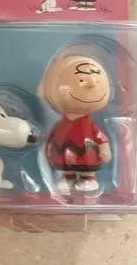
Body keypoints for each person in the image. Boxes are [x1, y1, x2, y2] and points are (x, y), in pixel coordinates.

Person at [42, 54, 112, 196]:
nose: (91, 84)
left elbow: (100, 137)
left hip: (87, 153)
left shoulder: (90, 125)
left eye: (97, 81)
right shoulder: (61, 124)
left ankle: (88, 178)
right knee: (65, 164)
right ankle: (68, 177)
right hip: (64, 153)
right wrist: (48, 149)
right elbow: (52, 137)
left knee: (87, 163)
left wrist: (105, 149)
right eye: (81, 80)